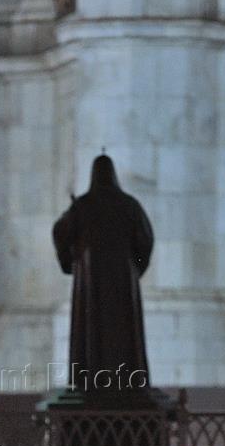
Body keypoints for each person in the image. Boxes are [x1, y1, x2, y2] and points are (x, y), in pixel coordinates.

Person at [51, 154, 154, 392]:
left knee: (91, 331)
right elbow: (145, 241)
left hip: (90, 280)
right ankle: (126, 382)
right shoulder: (129, 205)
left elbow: (60, 232)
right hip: (122, 282)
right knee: (123, 334)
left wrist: (71, 260)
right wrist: (135, 268)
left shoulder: (82, 206)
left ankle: (91, 383)